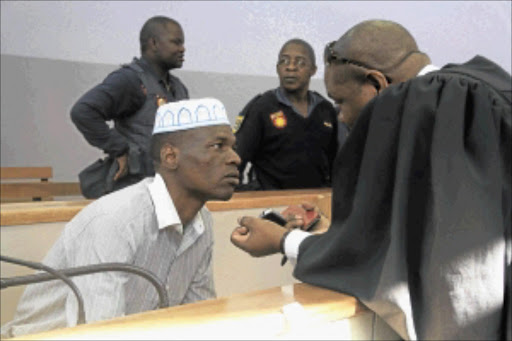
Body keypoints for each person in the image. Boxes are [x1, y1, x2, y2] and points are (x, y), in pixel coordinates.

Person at [231, 19, 511, 340]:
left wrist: (283, 240)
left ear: (377, 86)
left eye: (342, 102)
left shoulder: (427, 110)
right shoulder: (487, 85)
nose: (342, 117)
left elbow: (403, 264)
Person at [1, 98, 241, 338]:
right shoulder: (116, 220)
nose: (235, 158)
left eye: (232, 146)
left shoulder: (202, 222)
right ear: (170, 156)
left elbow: (197, 317)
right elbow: (100, 334)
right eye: (218, 146)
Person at [70, 16, 189, 198]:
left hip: (170, 187)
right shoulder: (130, 80)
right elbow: (83, 111)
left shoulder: (178, 87)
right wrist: (119, 148)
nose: (182, 49)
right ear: (154, 43)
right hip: (135, 190)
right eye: (176, 42)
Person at [234, 38, 338, 190]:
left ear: (313, 70)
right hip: (269, 201)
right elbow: (237, 160)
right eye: (284, 61)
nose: (291, 67)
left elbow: (335, 164)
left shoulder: (325, 109)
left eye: (300, 62)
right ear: (277, 68)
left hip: (313, 203)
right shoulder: (262, 107)